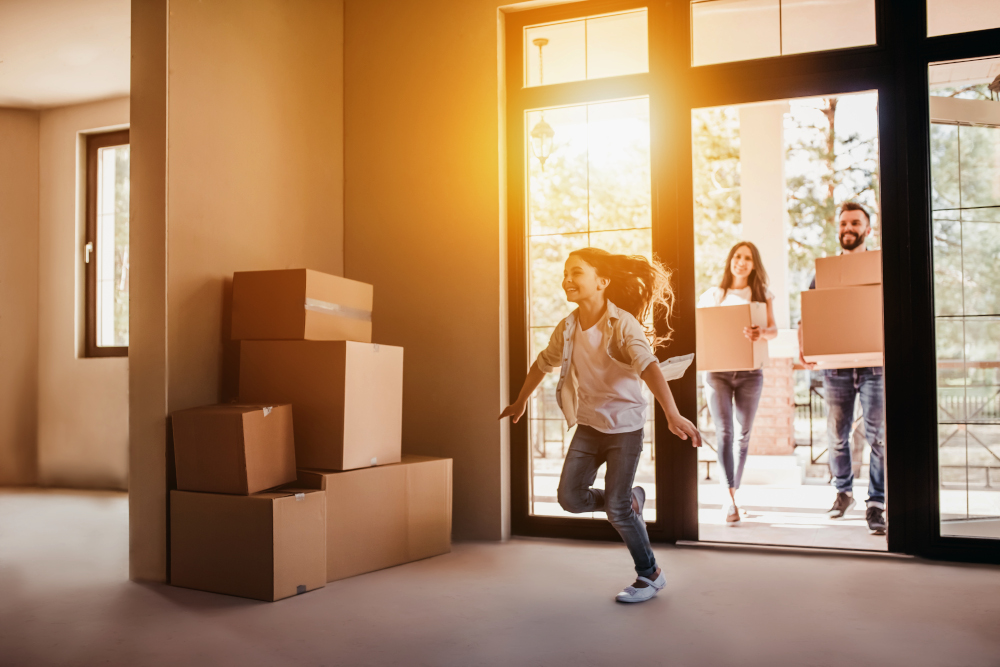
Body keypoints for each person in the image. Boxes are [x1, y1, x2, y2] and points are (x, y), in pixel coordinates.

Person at [499, 247, 701, 604]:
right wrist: (520, 401)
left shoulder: (623, 323)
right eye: (566, 272)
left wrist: (671, 413)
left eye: (576, 272)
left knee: (617, 511)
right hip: (590, 426)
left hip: (625, 427)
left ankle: (650, 573)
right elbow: (542, 363)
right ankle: (626, 501)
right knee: (569, 498)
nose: (568, 279)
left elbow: (649, 366)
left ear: (602, 281)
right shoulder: (567, 327)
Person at [798, 202, 887, 535]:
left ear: (867, 229)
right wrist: (804, 347)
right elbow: (807, 314)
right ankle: (843, 493)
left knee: (878, 438)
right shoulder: (824, 272)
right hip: (835, 368)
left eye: (855, 223)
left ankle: (876, 502)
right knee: (837, 436)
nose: (848, 228)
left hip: (874, 365)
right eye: (844, 223)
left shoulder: (879, 267)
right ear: (838, 229)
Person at [698, 242, 778, 524]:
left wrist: (761, 333)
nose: (741, 262)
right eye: (737, 256)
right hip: (717, 373)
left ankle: (733, 493)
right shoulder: (713, 295)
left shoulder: (761, 294)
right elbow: (702, 329)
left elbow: (774, 330)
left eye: (747, 258)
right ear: (730, 261)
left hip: (749, 373)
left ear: (754, 264)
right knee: (724, 433)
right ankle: (728, 498)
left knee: (742, 435)